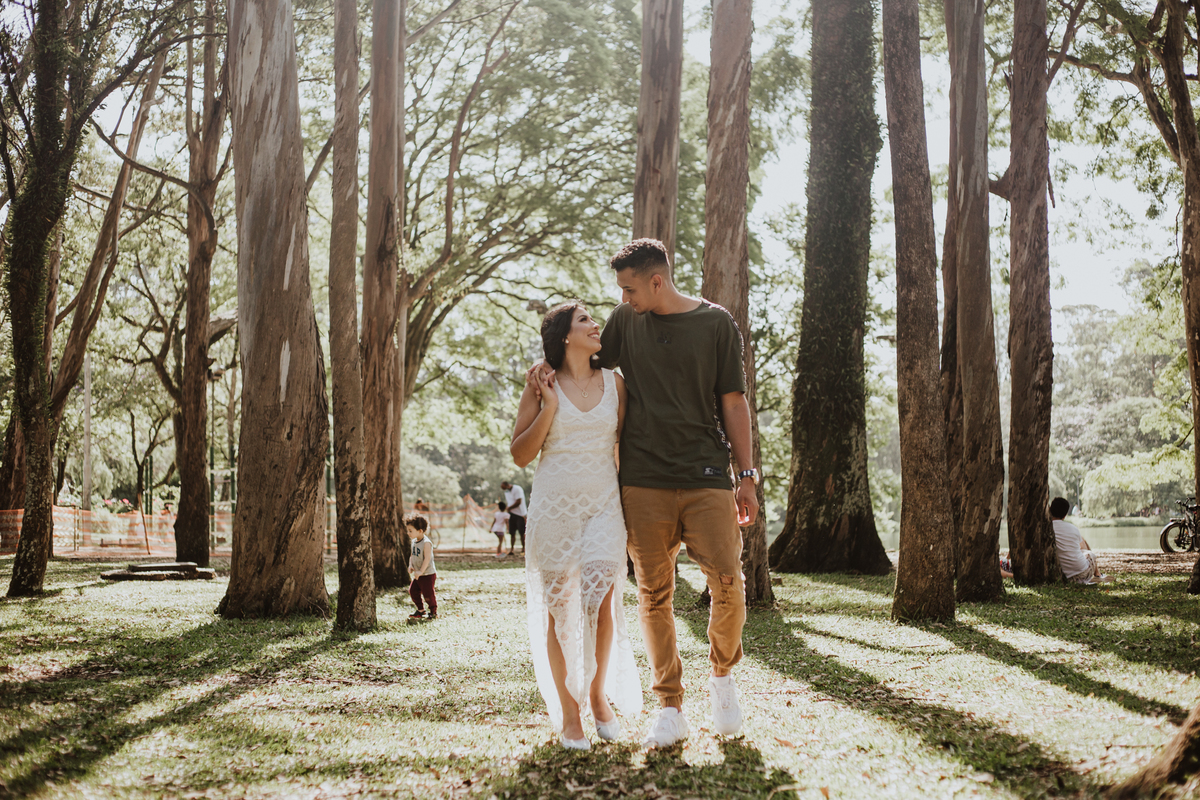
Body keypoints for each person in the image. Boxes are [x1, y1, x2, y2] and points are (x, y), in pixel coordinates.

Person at [527, 239, 760, 749]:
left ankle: (722, 676)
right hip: (642, 480)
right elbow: (581, 361)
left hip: (706, 475)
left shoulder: (716, 324)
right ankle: (670, 706)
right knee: (654, 595)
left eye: (630, 288)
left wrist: (747, 475)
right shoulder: (625, 321)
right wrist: (545, 370)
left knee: (728, 583)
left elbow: (734, 402)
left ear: (657, 281)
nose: (623, 299)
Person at [511, 302, 643, 751]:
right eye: (585, 319)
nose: (595, 324)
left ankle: (598, 696)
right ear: (566, 336)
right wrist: (548, 406)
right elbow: (520, 454)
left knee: (601, 601)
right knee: (561, 609)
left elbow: (624, 449)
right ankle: (570, 716)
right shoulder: (541, 383)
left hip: (604, 504)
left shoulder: (616, 384)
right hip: (554, 506)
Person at [1051, 497, 1112, 584]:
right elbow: (1083, 548)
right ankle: (1098, 574)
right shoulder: (1073, 528)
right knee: (1089, 552)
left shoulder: (1046, 530)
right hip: (1081, 572)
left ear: (1050, 510)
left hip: (1062, 574)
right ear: (1065, 515)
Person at [407, 515, 439, 619]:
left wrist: (421, 571)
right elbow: (412, 555)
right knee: (413, 591)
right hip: (418, 575)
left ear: (420, 531)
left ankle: (433, 612)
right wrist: (410, 565)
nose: (408, 533)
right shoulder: (413, 542)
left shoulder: (426, 543)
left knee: (428, 594)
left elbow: (427, 559)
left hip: (427, 574)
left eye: (410, 531)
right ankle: (420, 610)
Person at [501, 480, 527, 554]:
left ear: (507, 485)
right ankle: (512, 549)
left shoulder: (517, 489)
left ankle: (523, 548)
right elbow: (510, 501)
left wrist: (510, 508)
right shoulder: (507, 492)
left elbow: (519, 501)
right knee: (512, 532)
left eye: (504, 488)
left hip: (520, 514)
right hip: (512, 514)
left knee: (522, 532)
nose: (504, 490)